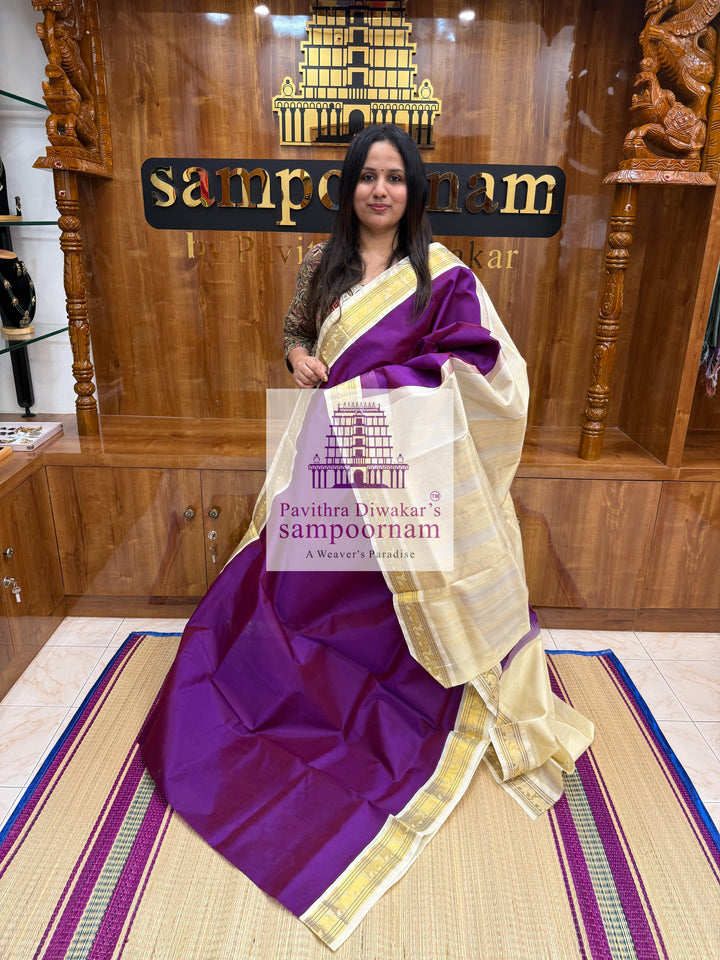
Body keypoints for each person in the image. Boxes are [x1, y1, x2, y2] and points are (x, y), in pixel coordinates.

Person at [140, 125, 593, 951]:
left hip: (402, 463)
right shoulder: (324, 266)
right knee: (284, 588)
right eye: (367, 177)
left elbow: (485, 366)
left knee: (394, 608)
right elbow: (294, 336)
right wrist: (300, 358)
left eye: (394, 177)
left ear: (413, 190)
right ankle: (295, 696)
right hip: (329, 454)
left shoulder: (442, 273)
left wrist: (385, 383)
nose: (380, 190)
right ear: (349, 188)